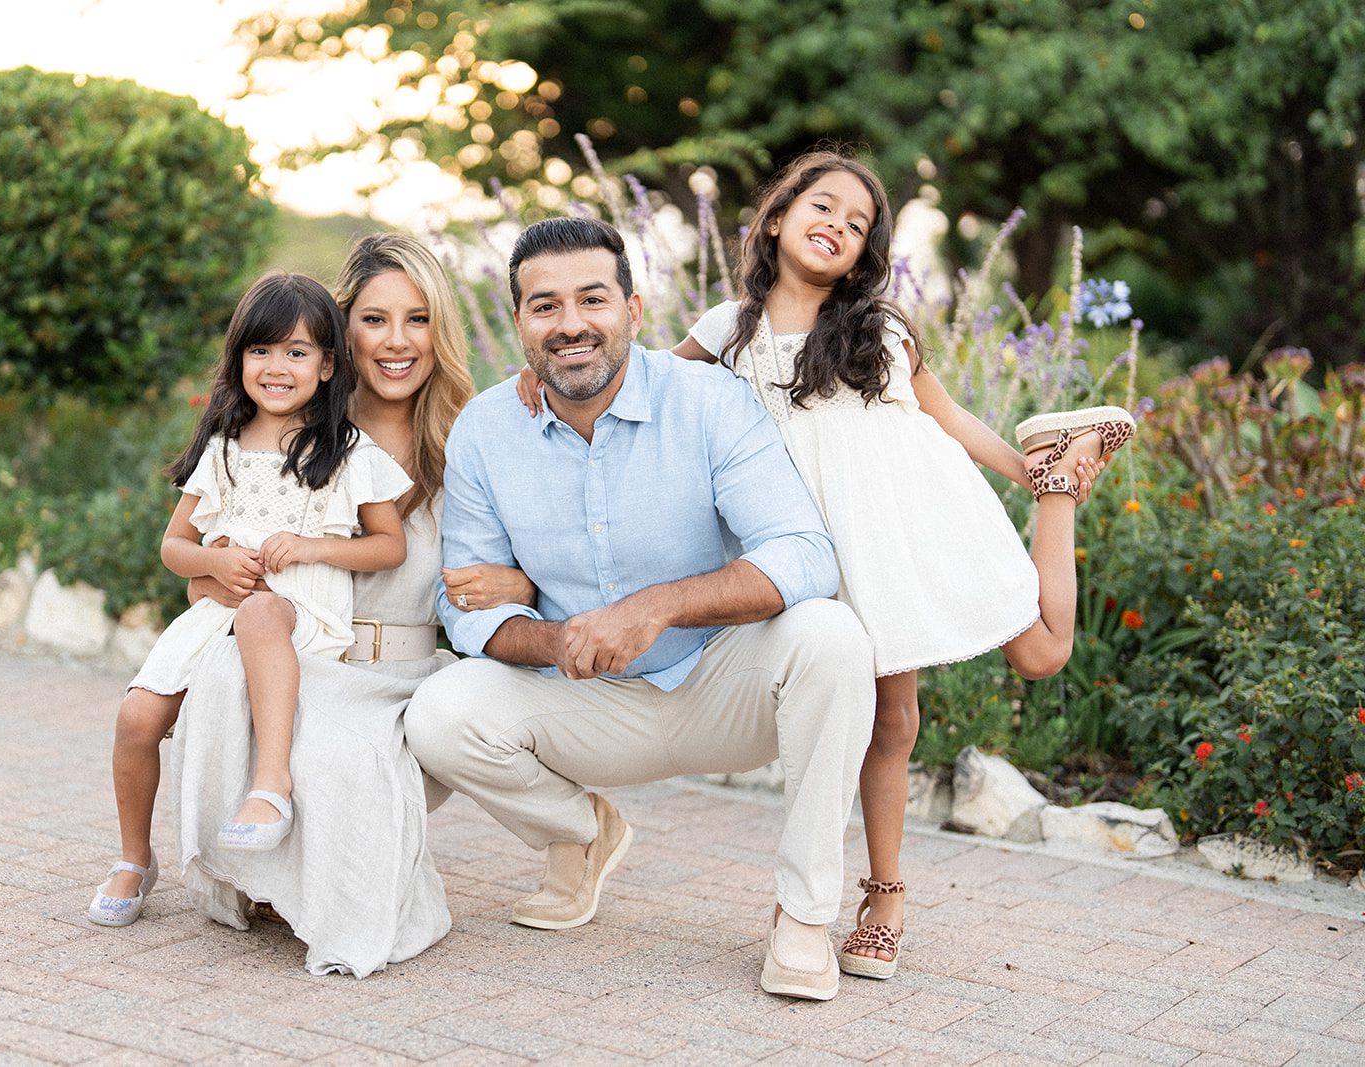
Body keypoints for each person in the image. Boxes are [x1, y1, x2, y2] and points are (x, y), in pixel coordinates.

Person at [519, 151, 1133, 981]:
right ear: (775, 217)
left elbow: (947, 419)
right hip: (811, 548)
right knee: (886, 720)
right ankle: (884, 895)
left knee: (1042, 652)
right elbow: (636, 377)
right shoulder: (725, 330)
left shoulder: (879, 329)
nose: (838, 225)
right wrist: (545, 371)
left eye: (857, 224)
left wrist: (1028, 476)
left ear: (864, 252)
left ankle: (1058, 480)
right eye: (824, 206)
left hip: (912, 524)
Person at [407, 215, 878, 1002]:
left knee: (830, 635)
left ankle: (802, 916)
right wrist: (562, 636)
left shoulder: (706, 400)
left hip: (723, 682)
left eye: (592, 299)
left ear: (633, 309)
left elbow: (803, 551)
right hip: (586, 700)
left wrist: (657, 607)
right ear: (520, 322)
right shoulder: (487, 429)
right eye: (545, 306)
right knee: (440, 712)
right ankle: (580, 832)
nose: (571, 325)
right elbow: (466, 610)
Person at [170, 234, 536, 977]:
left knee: (337, 753)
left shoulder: (480, 434)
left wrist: (520, 587)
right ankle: (267, 864)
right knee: (231, 684)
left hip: (405, 676)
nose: (397, 341)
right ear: (341, 337)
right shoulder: (297, 436)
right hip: (305, 659)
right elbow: (203, 572)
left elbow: (549, 566)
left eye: (418, 319)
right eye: (375, 319)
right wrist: (219, 576)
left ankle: (325, 875)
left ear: (441, 331)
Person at [87, 270, 413, 927]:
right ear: (239, 359)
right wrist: (215, 558)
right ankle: (133, 856)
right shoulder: (223, 448)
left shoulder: (346, 452)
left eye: (297, 352)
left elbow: (388, 546)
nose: (276, 366)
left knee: (265, 611)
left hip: (304, 608)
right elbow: (174, 545)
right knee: (136, 718)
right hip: (221, 607)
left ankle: (272, 787)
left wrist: (312, 546)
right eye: (261, 349)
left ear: (326, 366)